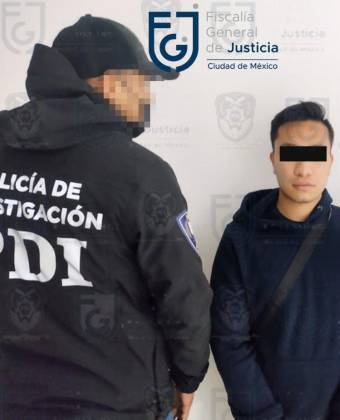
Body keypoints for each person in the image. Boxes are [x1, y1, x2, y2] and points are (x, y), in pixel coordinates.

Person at [0, 15, 212, 420]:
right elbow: (183, 295)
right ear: (113, 83)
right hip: (114, 403)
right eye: (143, 83)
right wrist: (187, 376)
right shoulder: (140, 173)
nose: (147, 96)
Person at [210, 102, 340, 420]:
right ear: (273, 159)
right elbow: (228, 338)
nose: (304, 169)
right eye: (291, 154)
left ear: (330, 160)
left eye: (316, 155)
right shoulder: (240, 237)